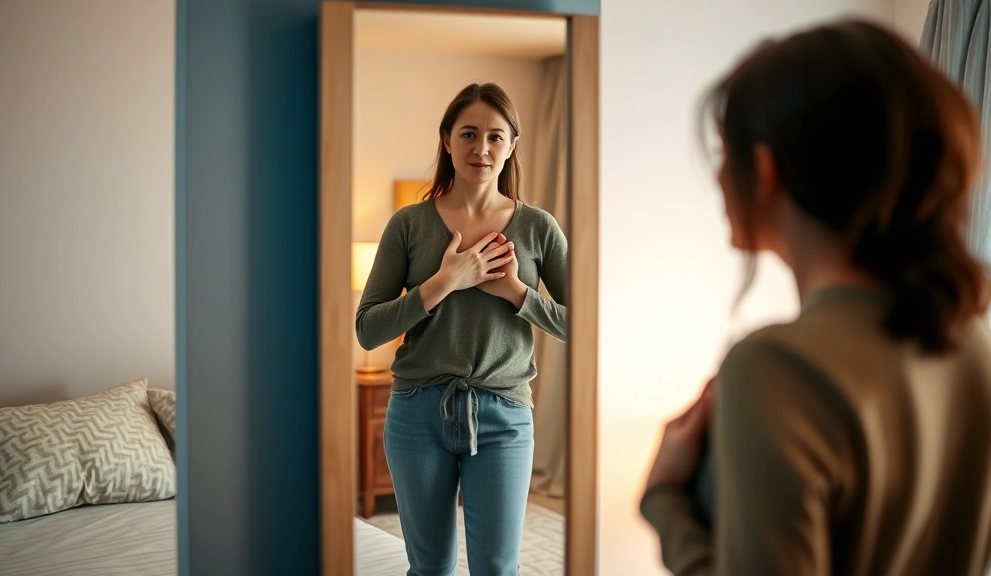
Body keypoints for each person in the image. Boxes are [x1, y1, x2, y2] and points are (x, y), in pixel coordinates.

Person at [640, 19, 991, 576]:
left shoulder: (776, 368)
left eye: (722, 151)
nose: (719, 175)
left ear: (764, 170)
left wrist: (664, 500)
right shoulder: (974, 349)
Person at [356, 82, 567, 576]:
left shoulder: (538, 227)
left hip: (504, 416)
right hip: (416, 414)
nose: (481, 148)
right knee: (430, 568)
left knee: (497, 568)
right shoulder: (408, 225)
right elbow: (367, 329)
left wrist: (517, 293)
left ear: (512, 145)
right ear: (447, 139)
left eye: (495, 136)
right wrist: (444, 282)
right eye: (469, 133)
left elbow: (586, 327)